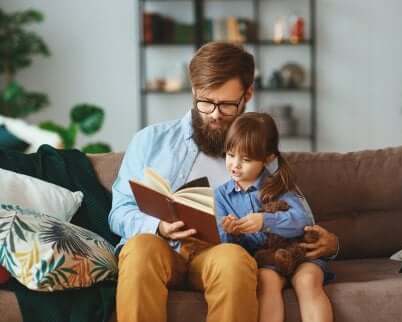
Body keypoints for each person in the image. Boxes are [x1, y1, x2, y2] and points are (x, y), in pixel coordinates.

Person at [108, 41, 340, 322]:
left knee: (233, 259)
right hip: (161, 250)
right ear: (194, 92)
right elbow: (119, 211)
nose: (215, 114)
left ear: (248, 94)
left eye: (227, 105)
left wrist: (330, 245)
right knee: (140, 247)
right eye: (205, 102)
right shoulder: (150, 140)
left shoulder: (258, 151)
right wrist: (159, 227)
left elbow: (297, 214)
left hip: (217, 255)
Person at [215, 112, 335, 322]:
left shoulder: (279, 185)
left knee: (307, 280)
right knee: (266, 281)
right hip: (265, 261)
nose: (235, 164)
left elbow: (303, 221)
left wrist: (265, 221)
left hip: (299, 254)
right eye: (230, 155)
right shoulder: (222, 196)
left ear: (268, 158)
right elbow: (225, 246)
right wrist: (230, 233)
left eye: (246, 159)